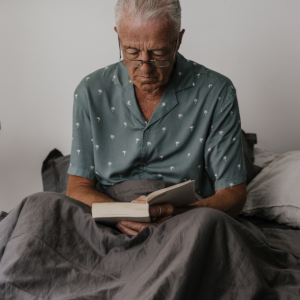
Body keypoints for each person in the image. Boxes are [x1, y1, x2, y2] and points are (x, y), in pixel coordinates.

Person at [66, 0, 247, 235]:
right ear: (118, 37)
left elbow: (233, 193)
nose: (145, 68)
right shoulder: (90, 91)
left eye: (159, 53)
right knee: (39, 210)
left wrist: (176, 217)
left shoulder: (217, 92)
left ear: (178, 41)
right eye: (132, 52)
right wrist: (121, 214)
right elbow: (78, 186)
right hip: (108, 217)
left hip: (186, 220)